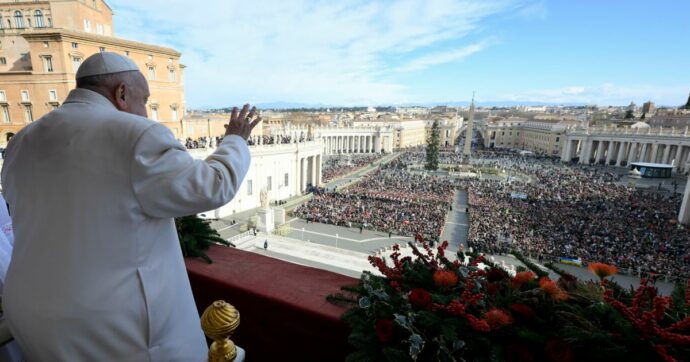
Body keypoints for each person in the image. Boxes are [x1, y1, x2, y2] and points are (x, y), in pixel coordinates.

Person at [0, 52, 261, 362]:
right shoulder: (137, 135)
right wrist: (234, 140)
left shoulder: (21, 142)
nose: (146, 113)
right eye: (145, 101)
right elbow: (213, 185)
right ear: (121, 93)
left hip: (31, 315)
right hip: (111, 326)